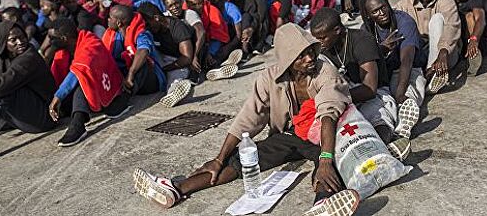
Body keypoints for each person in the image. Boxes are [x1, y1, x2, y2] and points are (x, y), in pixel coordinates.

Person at [132, 23, 360, 216]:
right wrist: (219, 159)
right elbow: (248, 118)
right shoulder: (270, 77)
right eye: (301, 55)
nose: (310, 58)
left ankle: (322, 204)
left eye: (311, 50)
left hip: (325, 134)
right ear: (288, 59)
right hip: (291, 135)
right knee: (242, 159)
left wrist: (326, 160)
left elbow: (329, 114)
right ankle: (177, 188)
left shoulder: (325, 72)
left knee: (335, 165)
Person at [310, 8, 413, 160]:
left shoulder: (362, 40)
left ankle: (383, 147)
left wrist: (338, 98)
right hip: (346, 94)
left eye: (323, 38)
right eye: (317, 38)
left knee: (378, 116)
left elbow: (370, 89)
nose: (320, 43)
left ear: (337, 30)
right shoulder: (324, 51)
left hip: (374, 93)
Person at [48, 18, 130, 147]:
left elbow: (77, 72)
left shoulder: (91, 43)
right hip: (92, 93)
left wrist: (58, 96)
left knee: (82, 80)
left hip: (106, 87)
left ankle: (78, 124)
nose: (50, 42)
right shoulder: (64, 50)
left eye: (52, 39)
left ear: (64, 38)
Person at [358, 0, 424, 138]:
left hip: (409, 67)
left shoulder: (404, 21)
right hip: (385, 73)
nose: (381, 13)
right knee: (384, 101)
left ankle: (404, 124)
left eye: (383, 7)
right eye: (375, 11)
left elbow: (407, 59)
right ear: (368, 15)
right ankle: (387, 127)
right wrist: (381, 48)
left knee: (409, 90)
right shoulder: (366, 30)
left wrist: (400, 93)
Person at [395, 0, 461, 94]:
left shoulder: (445, 0)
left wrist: (443, 51)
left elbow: (452, 27)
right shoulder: (404, 5)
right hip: (420, 53)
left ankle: (433, 73)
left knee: (437, 19)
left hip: (445, 55)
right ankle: (424, 84)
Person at [0, 21, 56, 134]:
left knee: (2, 95)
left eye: (22, 37)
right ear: (3, 42)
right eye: (13, 40)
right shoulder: (2, 56)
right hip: (25, 113)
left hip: (45, 117)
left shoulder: (29, 57)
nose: (20, 42)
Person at [137, 2, 194, 106]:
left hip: (177, 61)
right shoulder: (151, 29)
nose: (147, 28)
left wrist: (165, 69)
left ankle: (173, 92)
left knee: (174, 78)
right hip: (160, 57)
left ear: (156, 18)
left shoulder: (177, 27)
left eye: (148, 24)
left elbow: (186, 58)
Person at [103, 5, 165, 99]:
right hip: (124, 78)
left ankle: (124, 97)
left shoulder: (142, 33)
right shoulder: (113, 35)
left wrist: (131, 72)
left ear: (119, 23)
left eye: (110, 18)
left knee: (142, 63)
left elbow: (143, 50)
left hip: (148, 81)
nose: (108, 20)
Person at [162, 0, 206, 81]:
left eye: (176, 3)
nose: (174, 7)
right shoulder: (165, 17)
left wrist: (195, 56)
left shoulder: (189, 13)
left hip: (195, 48)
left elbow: (201, 32)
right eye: (170, 6)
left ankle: (197, 72)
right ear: (166, 8)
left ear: (181, 2)